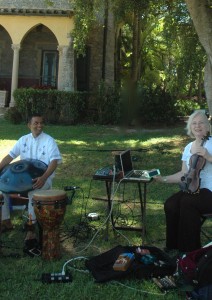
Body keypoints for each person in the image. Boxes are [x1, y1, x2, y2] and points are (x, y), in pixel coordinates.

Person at [154, 110, 212, 253]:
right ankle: (173, 246)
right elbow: (183, 173)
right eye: (194, 123)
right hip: (193, 188)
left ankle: (191, 252)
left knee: (188, 202)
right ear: (190, 127)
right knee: (171, 204)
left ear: (208, 125)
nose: (197, 126)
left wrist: (209, 156)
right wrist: (163, 179)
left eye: (201, 123)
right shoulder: (188, 147)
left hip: (210, 191)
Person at [0, 113, 62, 232]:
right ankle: (6, 220)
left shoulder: (49, 141)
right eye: (36, 123)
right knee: (4, 189)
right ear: (29, 125)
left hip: (43, 179)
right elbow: (10, 156)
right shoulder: (23, 139)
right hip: (24, 179)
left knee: (33, 192)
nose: (39, 125)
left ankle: (31, 226)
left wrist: (43, 178)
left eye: (41, 123)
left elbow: (54, 161)